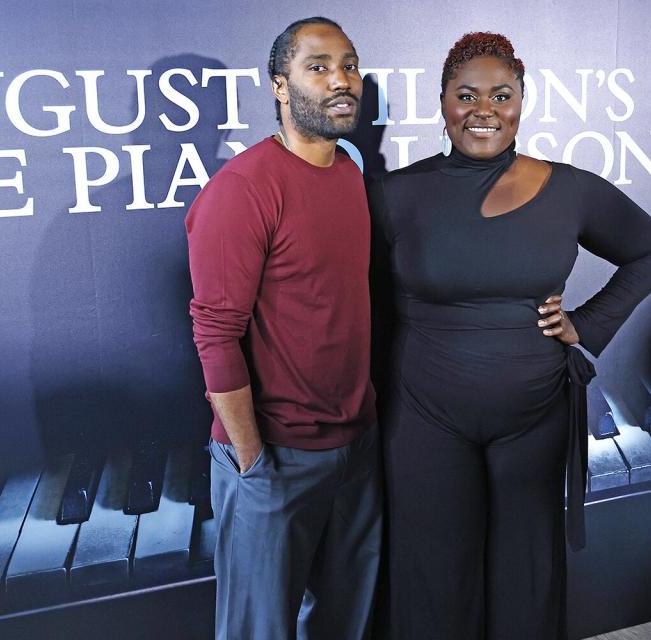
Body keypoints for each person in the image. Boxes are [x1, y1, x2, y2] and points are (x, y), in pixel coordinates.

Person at [369, 32, 651, 639]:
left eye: (501, 95)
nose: (484, 109)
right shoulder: (393, 195)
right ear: (441, 101)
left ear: (522, 102)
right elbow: (364, 301)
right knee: (432, 568)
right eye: (466, 95)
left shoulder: (571, 188)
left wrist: (585, 325)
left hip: (533, 416)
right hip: (424, 414)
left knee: (527, 568)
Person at [185, 16, 381, 640]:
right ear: (278, 85)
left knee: (343, 622)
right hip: (274, 458)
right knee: (259, 631)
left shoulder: (348, 173)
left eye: (348, 65)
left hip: (355, 449)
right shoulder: (243, 189)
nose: (340, 80)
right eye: (317, 67)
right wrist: (251, 459)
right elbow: (215, 334)